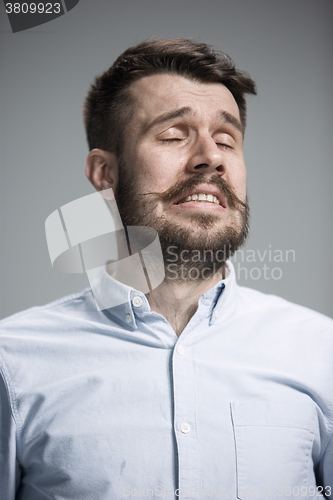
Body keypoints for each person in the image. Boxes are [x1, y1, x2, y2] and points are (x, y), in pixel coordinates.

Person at [0, 38, 332, 499]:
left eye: (226, 140)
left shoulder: (322, 354)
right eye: (174, 135)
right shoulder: (11, 364)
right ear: (104, 173)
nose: (211, 157)